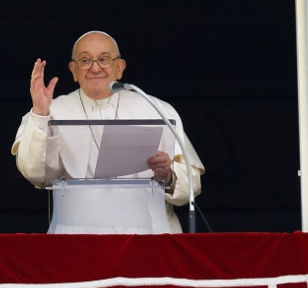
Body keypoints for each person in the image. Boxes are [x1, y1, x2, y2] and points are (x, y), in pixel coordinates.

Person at [11, 30, 204, 232]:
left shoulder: (156, 109)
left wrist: (167, 175)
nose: (95, 68)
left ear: (119, 67)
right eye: (85, 60)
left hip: (148, 237)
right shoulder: (52, 111)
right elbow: (35, 174)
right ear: (73, 70)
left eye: (104, 59)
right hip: (77, 238)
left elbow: (192, 186)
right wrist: (41, 113)